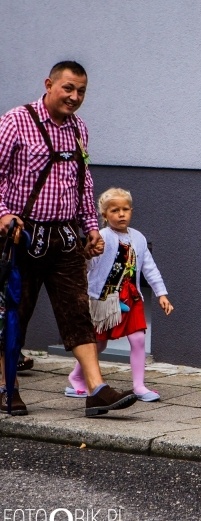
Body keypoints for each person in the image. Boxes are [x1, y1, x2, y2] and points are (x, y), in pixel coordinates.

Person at [0, 61, 138, 417]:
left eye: (81, 91)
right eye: (68, 88)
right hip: (20, 236)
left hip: (64, 237)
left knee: (78, 312)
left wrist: (90, 226)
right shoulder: (16, 120)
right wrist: (3, 214)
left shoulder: (78, 128)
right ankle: (7, 386)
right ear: (49, 84)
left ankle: (97, 390)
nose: (75, 97)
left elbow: (83, 182)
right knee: (14, 313)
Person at [66, 187, 173, 402]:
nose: (121, 214)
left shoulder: (138, 238)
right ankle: (76, 377)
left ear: (131, 211)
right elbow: (89, 267)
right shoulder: (102, 237)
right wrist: (88, 254)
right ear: (104, 215)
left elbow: (149, 268)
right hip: (104, 299)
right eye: (115, 210)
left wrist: (161, 293)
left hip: (131, 296)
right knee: (98, 343)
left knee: (138, 339)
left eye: (125, 209)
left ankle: (139, 386)